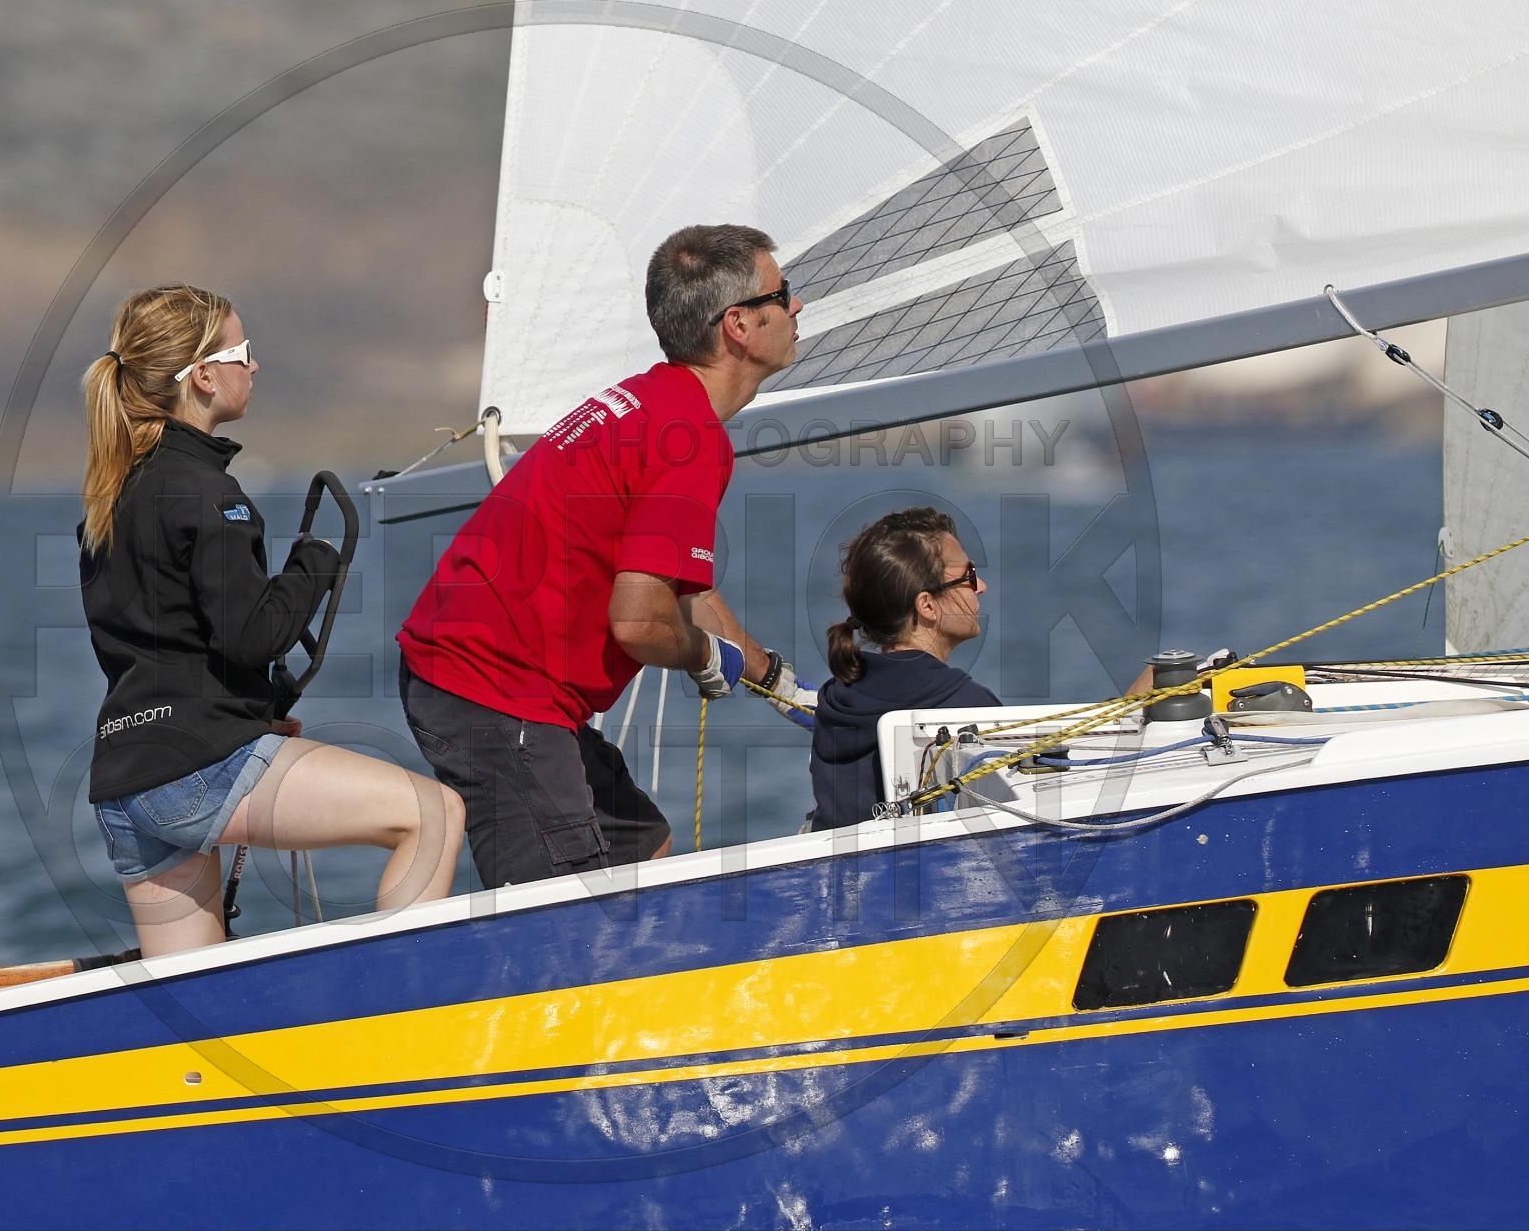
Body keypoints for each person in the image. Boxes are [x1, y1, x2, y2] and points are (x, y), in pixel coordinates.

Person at [398, 224, 817, 888]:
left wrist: (775, 680)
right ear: (738, 325)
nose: (797, 306)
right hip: (492, 688)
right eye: (783, 293)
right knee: (565, 916)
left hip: (471, 672)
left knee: (640, 847)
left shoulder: (653, 399)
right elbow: (641, 622)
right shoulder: (687, 436)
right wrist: (702, 656)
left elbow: (677, 586)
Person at [79, 284, 464, 956]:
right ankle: (407, 1001)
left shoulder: (111, 498)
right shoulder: (206, 492)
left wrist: (245, 717)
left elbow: (160, 645)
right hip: (200, 768)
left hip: (126, 782)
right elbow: (254, 635)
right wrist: (314, 562)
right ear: (203, 376)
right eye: (242, 352)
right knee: (434, 815)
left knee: (195, 1002)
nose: (253, 366)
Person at [809, 507, 998, 831]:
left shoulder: (835, 701)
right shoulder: (968, 707)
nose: (981, 586)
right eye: (968, 576)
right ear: (927, 606)